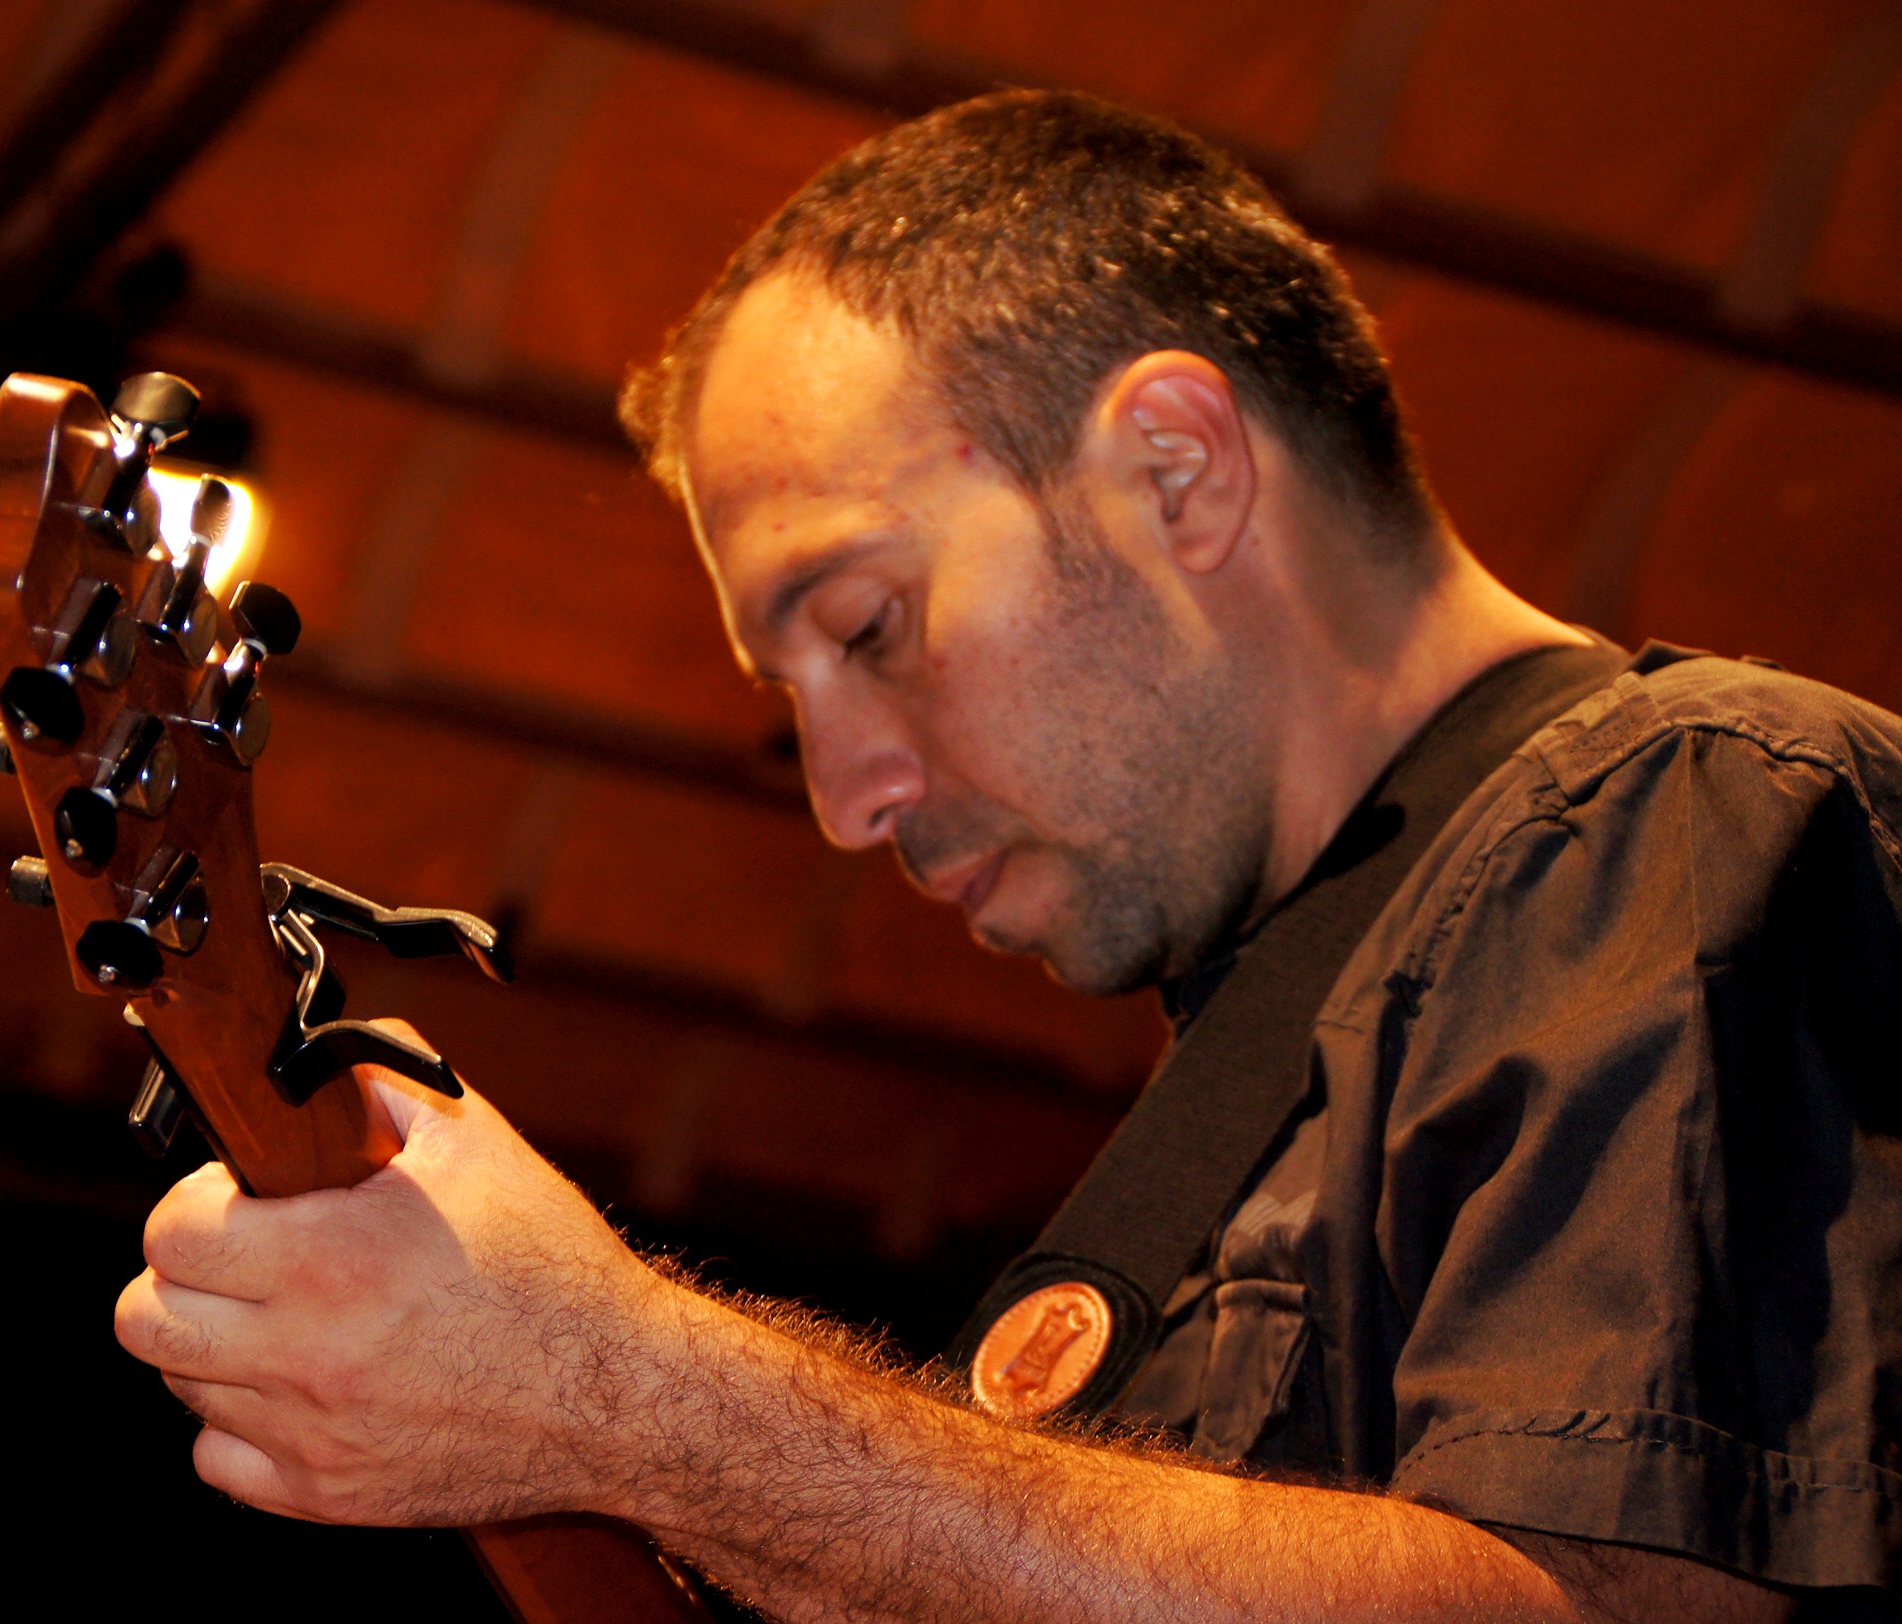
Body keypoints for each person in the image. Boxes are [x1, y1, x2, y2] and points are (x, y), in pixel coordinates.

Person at [113, 91, 1902, 1621]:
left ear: (1177, 468)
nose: (842, 800)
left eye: (868, 627)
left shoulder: (1691, 812)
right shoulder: (1264, 1070)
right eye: (793, 703)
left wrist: (626, 1398)